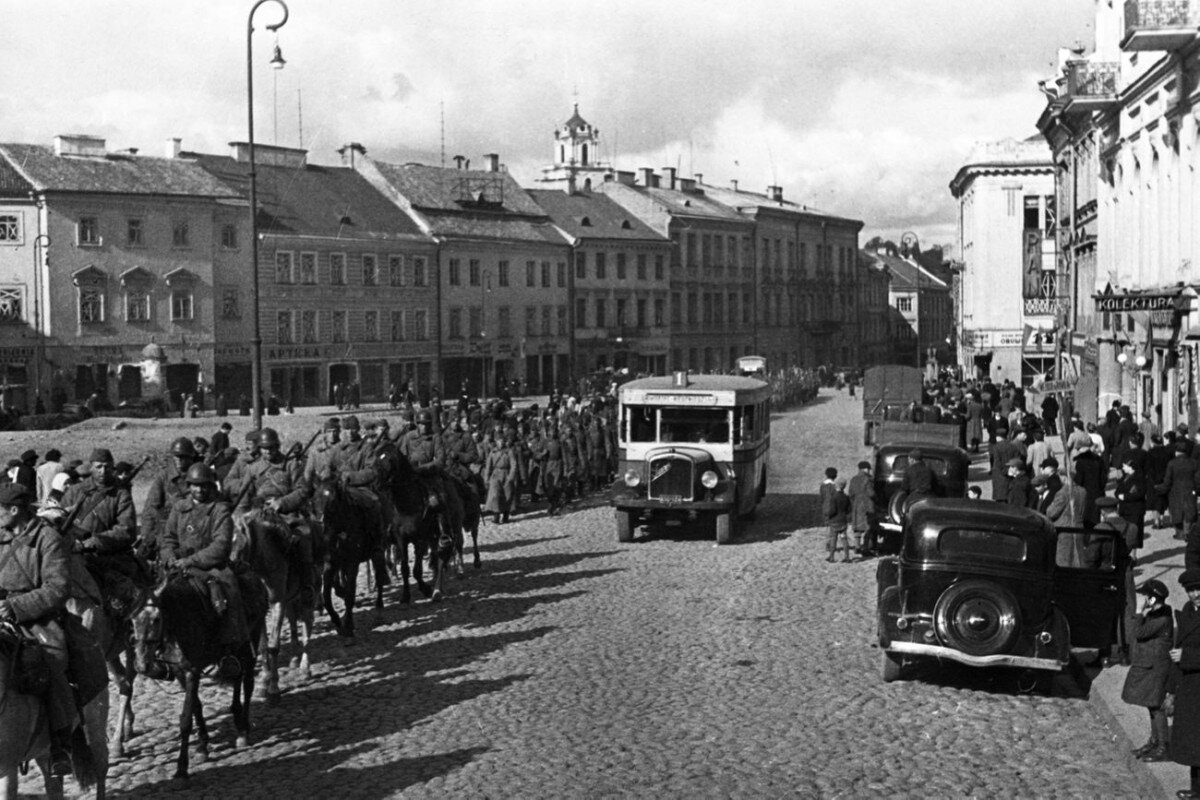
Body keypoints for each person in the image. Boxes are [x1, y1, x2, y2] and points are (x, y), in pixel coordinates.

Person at [0, 484, 76, 775]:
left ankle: (59, 744)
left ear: (14, 511)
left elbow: (58, 588)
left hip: (38, 620)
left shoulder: (48, 539)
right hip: (1, 612)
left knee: (52, 662)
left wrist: (17, 607)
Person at [159, 463, 248, 680]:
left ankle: (230, 651)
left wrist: (190, 560)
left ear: (211, 486)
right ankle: (161, 651)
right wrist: (169, 556)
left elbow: (221, 546)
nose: (199, 490)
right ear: (189, 486)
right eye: (195, 486)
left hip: (212, 567)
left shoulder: (220, 509)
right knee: (156, 599)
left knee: (229, 591)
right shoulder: (179, 508)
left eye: (204, 486)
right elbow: (168, 538)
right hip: (180, 566)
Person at [1123, 578, 1174, 763]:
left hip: (1155, 668)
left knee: (1156, 706)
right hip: (1149, 666)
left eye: (1146, 596)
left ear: (1153, 599)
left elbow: (1138, 633)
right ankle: (1154, 742)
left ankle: (1162, 747)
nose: (1144, 599)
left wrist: (1138, 612)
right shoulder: (1158, 613)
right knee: (1151, 704)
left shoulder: (1162, 618)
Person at [1170, 569, 1200, 798]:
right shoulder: (1189, 612)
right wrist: (1170, 689)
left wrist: (1187, 656)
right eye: (1191, 590)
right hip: (1189, 687)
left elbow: (1182, 653)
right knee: (1192, 741)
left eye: (1199, 589)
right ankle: (1195, 789)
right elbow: (1175, 651)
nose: (1196, 594)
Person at [847, 461, 875, 556]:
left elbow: (850, 493)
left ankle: (857, 546)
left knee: (857, 528)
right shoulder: (868, 479)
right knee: (868, 527)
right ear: (866, 469)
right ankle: (866, 548)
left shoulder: (854, 479)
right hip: (867, 505)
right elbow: (871, 493)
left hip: (856, 505)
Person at [824, 477, 852, 563]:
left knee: (833, 538)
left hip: (834, 521)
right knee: (844, 539)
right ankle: (847, 556)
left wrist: (827, 514)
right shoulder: (846, 497)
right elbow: (849, 509)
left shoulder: (834, 497)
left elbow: (832, 510)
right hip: (843, 520)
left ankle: (831, 556)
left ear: (836, 486)